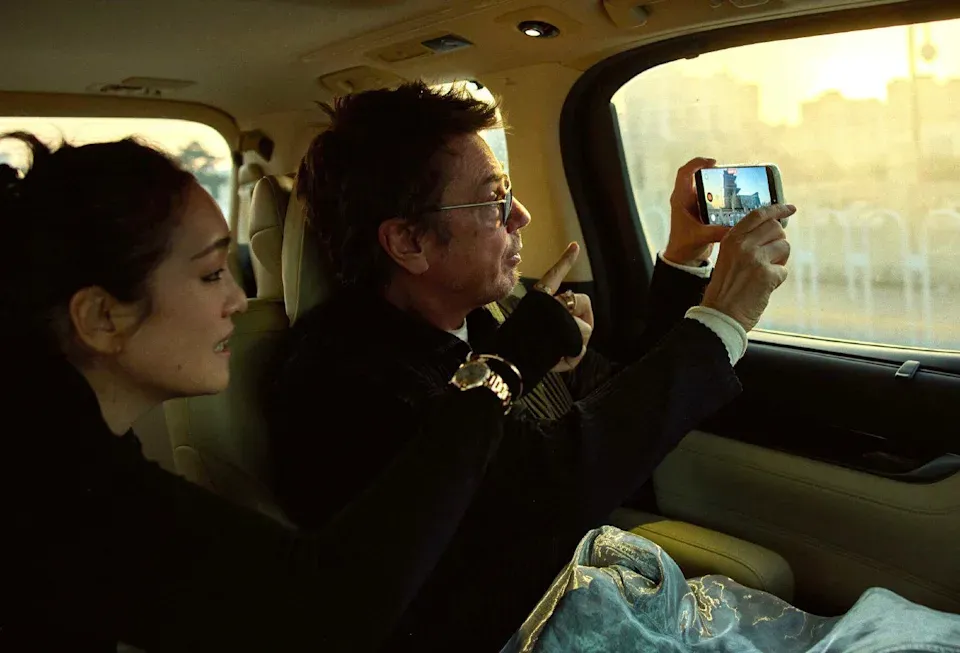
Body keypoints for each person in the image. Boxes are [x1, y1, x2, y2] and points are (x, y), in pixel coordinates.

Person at [0, 132, 586, 652]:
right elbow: (321, 612)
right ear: (101, 317)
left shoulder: (64, 441)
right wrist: (504, 369)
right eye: (211, 274)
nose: (237, 300)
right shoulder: (49, 480)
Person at [270, 81, 796, 651]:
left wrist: (685, 257)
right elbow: (547, 488)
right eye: (494, 200)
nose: (520, 215)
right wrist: (720, 320)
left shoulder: (485, 319)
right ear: (408, 241)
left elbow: (617, 398)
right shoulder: (340, 382)